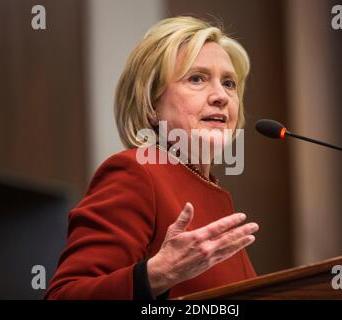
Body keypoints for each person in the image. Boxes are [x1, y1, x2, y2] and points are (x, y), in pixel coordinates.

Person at [45, 16, 259, 300]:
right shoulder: (136, 172)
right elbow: (65, 295)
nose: (221, 96)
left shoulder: (216, 193)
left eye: (229, 83)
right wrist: (158, 275)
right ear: (151, 106)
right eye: (197, 78)